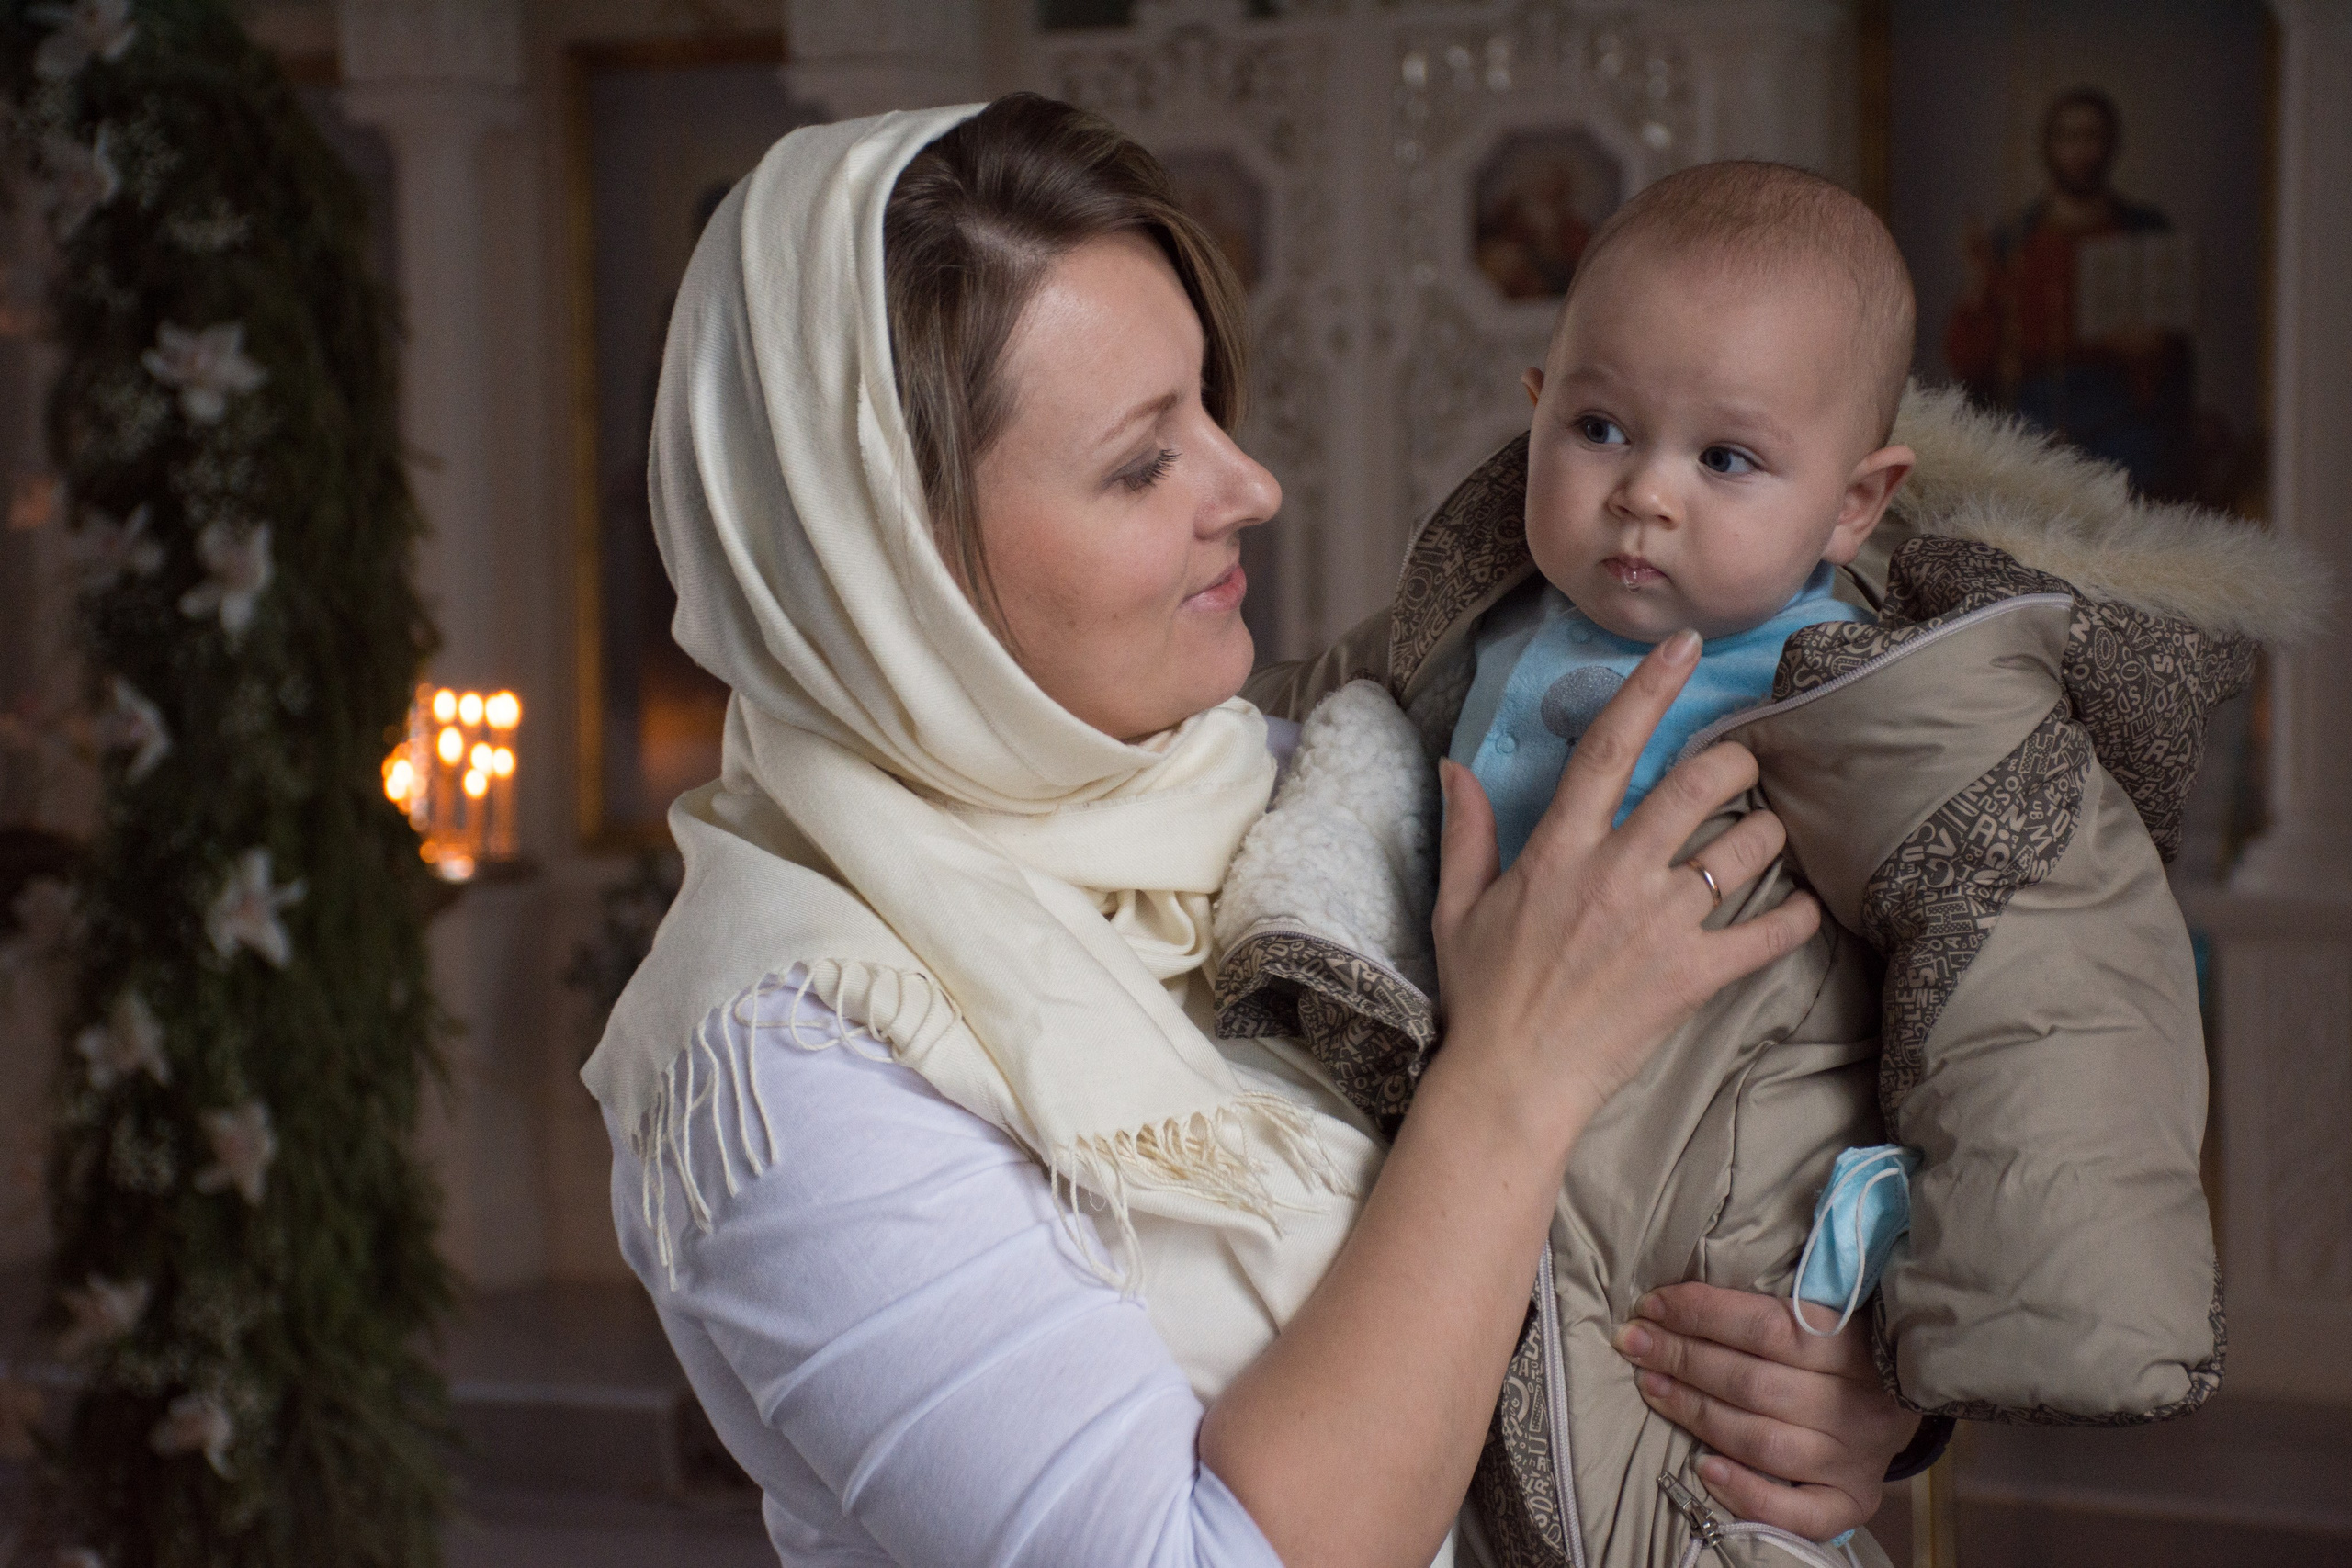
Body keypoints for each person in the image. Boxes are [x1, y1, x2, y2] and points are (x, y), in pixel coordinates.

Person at [582, 97, 1926, 1568]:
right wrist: (1517, 1072)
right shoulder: (787, 1067)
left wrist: (1836, 1384)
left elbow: (1735, 1129)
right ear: (885, 553)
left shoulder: (1299, 780)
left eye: (1211, 410)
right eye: (1142, 462)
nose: (1251, 487)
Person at [1224, 162, 2301, 1565]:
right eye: (1601, 426)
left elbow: (2053, 958)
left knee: (1702, 1489)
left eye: (1724, 458)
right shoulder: (1462, 631)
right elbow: (1272, 729)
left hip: (1727, 1235)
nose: (1644, 496)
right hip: (1480, 1192)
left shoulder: (1894, 697)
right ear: (1536, 406)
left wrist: (2016, 1315)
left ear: (1856, 501)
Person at [1943, 86, 2194, 499]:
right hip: (2037, 414)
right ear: (2050, 145)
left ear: (2109, 144)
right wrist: (1979, 282)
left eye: (2091, 136)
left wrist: (2151, 350)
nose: (2080, 151)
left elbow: (2175, 361)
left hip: (2121, 420)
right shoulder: (2016, 240)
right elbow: (1971, 358)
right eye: (2068, 136)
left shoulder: (2143, 233)